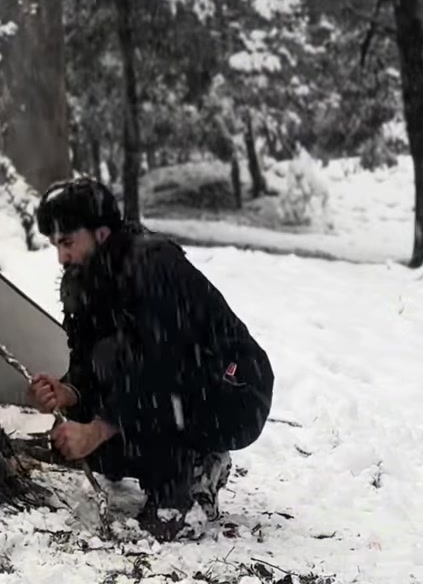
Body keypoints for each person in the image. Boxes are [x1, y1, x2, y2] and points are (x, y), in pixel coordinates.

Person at [29, 176, 272, 540]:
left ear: (101, 233)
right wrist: (69, 392)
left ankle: (175, 496)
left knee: (119, 384)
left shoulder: (152, 264)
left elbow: (162, 368)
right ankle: (199, 463)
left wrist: (98, 429)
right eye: (55, 245)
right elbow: (88, 358)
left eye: (67, 242)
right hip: (174, 386)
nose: (61, 255)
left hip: (234, 390)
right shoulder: (84, 280)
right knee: (93, 447)